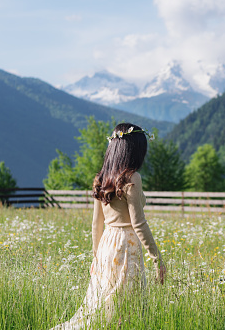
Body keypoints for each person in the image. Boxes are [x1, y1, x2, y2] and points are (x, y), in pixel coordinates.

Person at [51, 123, 166, 329]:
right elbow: (138, 223)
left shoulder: (101, 178)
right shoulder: (132, 178)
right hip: (126, 244)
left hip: (106, 244)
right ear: (134, 151)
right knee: (127, 304)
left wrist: (96, 255)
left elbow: (96, 223)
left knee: (102, 303)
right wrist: (157, 258)